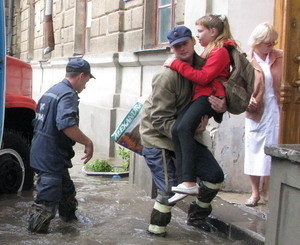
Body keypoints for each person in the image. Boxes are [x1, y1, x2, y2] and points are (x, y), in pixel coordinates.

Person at [140, 25, 226, 237]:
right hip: (158, 137)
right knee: (168, 190)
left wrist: (220, 109)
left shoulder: (207, 66)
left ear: (193, 42)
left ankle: (197, 218)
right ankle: (156, 232)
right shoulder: (166, 76)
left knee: (214, 177)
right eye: (176, 47)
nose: (182, 49)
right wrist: (186, 132)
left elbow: (219, 94)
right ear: (171, 49)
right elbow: (158, 119)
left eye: (184, 44)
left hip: (186, 135)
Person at [163, 14, 237, 203]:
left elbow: (204, 78)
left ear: (213, 31)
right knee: (178, 128)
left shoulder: (219, 51)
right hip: (204, 96)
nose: (198, 36)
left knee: (184, 128)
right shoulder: (211, 50)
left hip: (209, 96)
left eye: (200, 31)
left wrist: (176, 63)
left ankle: (188, 182)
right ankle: (184, 182)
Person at [27, 58, 95, 233]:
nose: (85, 87)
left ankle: (70, 227)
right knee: (46, 204)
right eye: (86, 81)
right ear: (81, 76)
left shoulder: (52, 91)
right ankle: (35, 235)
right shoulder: (68, 94)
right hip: (50, 156)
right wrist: (87, 142)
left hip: (43, 153)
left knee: (67, 193)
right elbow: (66, 124)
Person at [244, 23, 282, 206]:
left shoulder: (280, 56)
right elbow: (238, 86)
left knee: (275, 149)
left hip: (277, 109)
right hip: (258, 111)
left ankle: (269, 191)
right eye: (267, 42)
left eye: (273, 42)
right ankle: (255, 192)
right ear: (257, 42)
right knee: (254, 150)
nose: (271, 46)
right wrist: (247, 99)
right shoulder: (247, 60)